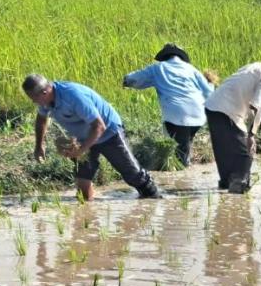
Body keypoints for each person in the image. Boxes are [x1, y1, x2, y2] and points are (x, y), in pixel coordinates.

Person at [23, 74, 161, 202]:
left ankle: (154, 199)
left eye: (34, 98)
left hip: (109, 132)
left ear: (44, 92)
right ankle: (87, 216)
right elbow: (41, 120)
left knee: (133, 174)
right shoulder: (46, 102)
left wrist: (81, 150)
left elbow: (99, 126)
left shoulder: (73, 96)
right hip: (84, 137)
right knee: (82, 179)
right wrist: (39, 146)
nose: (34, 102)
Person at [204, 54, 261, 194]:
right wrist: (251, 134)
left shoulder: (259, 66)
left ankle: (226, 183)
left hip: (213, 105)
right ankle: (239, 185)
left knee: (223, 149)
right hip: (228, 109)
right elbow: (258, 103)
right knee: (246, 152)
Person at [122, 43, 215, 167]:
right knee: (185, 143)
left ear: (164, 57)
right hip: (198, 114)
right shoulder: (191, 69)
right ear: (181, 57)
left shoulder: (158, 68)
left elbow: (134, 79)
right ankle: (185, 167)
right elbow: (209, 91)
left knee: (180, 153)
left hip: (176, 115)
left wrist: (126, 80)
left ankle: (182, 175)